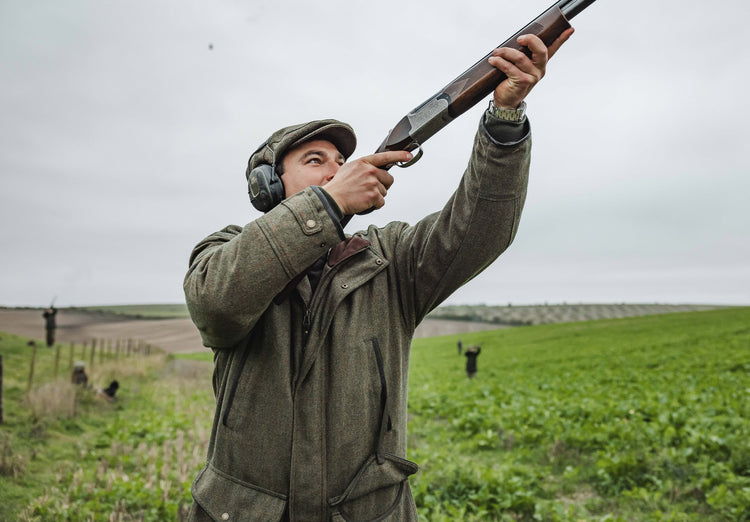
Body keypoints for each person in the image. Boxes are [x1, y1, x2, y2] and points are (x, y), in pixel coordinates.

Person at [183, 30, 573, 522]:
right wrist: (330, 203)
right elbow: (216, 303)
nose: (335, 170)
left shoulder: (388, 257)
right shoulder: (223, 250)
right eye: (314, 161)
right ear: (268, 186)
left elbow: (482, 229)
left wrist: (505, 118)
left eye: (342, 162)